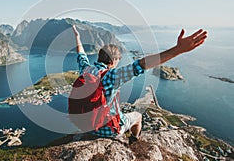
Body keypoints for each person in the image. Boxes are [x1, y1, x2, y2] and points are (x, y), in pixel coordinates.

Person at [71, 24, 207, 142]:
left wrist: (77, 37)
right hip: (109, 130)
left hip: (86, 126)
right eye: (118, 60)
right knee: (137, 116)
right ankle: (134, 140)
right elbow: (142, 64)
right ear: (113, 62)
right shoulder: (111, 76)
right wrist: (178, 50)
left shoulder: (86, 70)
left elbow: (81, 55)